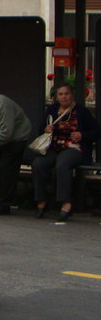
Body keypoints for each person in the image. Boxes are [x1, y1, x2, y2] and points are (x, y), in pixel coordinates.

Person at [32, 83, 99, 221]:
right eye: (60, 94)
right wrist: (46, 129)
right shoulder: (52, 109)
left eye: (66, 94)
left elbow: (97, 131)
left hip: (73, 148)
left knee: (62, 164)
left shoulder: (81, 111)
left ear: (72, 95)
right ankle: (41, 201)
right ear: (57, 97)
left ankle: (66, 203)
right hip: (54, 147)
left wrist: (82, 135)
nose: (63, 97)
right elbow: (40, 129)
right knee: (38, 164)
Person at [0, 93, 33, 215]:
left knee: (7, 168)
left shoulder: (2, 105)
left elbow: (6, 134)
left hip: (17, 137)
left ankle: (4, 204)